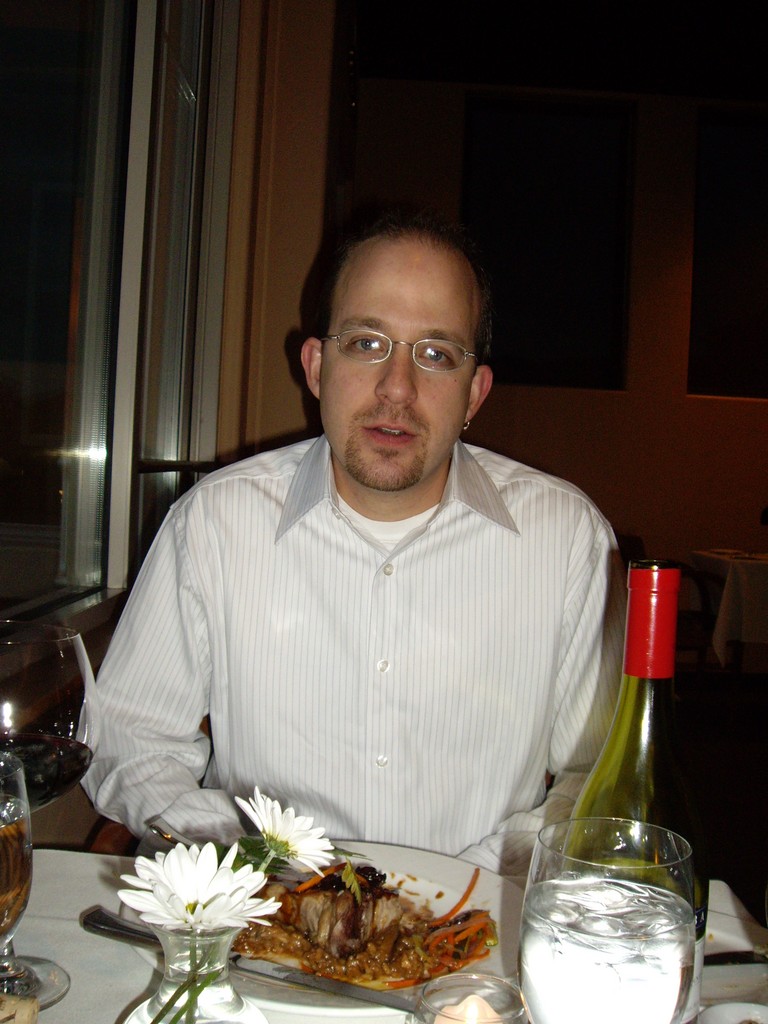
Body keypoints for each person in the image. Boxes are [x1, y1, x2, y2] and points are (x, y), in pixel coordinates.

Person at [83, 207, 625, 877]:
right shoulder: (213, 525)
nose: (397, 388)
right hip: (265, 916)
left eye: (436, 354)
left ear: (474, 393)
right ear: (316, 366)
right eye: (367, 343)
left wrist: (472, 883)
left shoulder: (568, 541)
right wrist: (247, 863)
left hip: (480, 923)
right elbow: (130, 741)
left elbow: (598, 774)